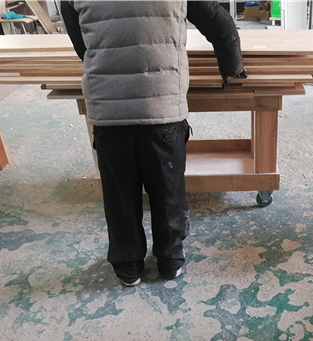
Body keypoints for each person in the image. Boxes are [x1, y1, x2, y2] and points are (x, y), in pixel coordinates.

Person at [59, 1, 246, 286]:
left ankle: (127, 265)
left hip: (109, 110)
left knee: (119, 195)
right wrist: (232, 68)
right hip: (163, 107)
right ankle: (170, 259)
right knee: (168, 189)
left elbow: (81, 44)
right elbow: (221, 25)